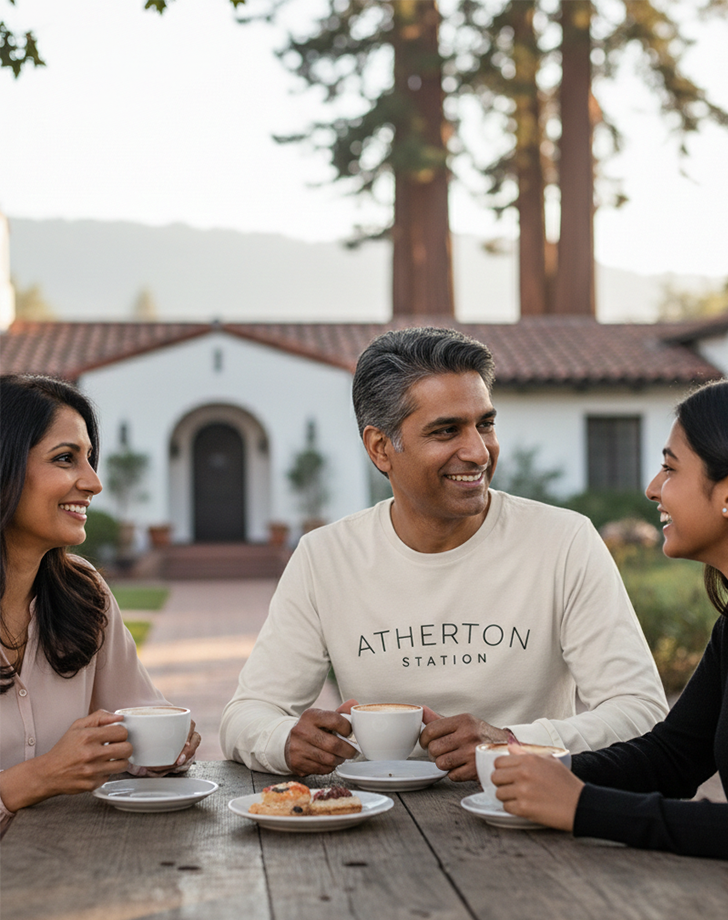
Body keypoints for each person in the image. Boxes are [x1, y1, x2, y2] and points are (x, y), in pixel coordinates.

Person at [220, 326, 667, 778]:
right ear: (381, 448)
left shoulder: (564, 541)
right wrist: (285, 740)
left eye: (485, 424)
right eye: (446, 431)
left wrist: (511, 743)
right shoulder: (325, 557)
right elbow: (247, 715)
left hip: (528, 813)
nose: (477, 451)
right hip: (379, 817)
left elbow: (641, 710)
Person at [491, 378, 728, 872]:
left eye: (670, 469)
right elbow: (673, 757)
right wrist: (546, 769)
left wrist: (583, 807)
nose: (653, 488)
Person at [0, 375, 200, 837]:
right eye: (66, 459)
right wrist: (36, 778)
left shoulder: (84, 593)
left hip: (65, 871)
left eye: (89, 459)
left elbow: (138, 718)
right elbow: (49, 774)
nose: (93, 483)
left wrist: (166, 748)